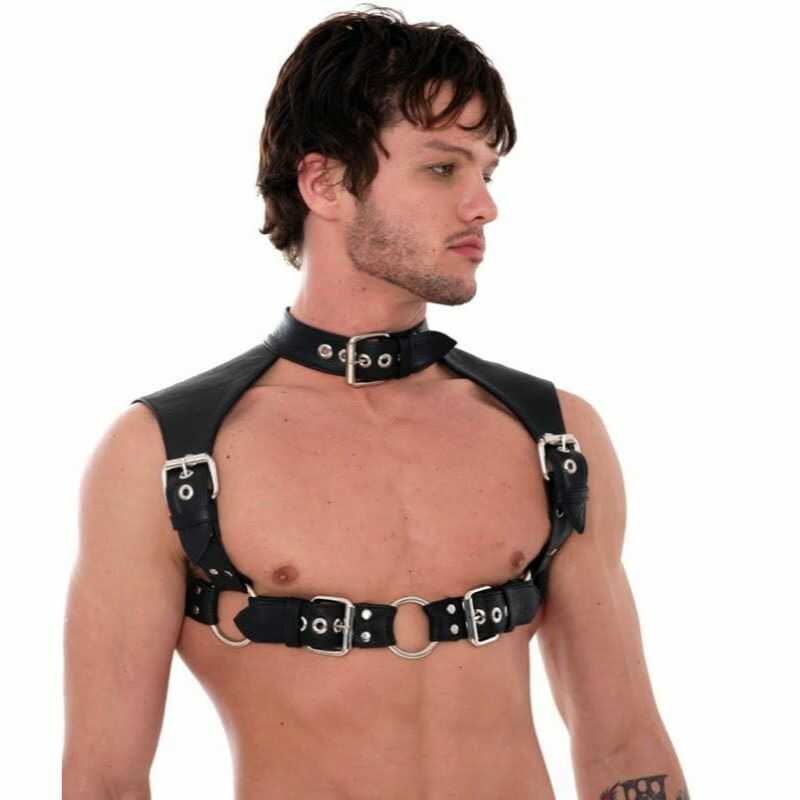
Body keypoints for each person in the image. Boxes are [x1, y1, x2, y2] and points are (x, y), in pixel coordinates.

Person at [62, 6, 689, 799]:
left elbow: (625, 744)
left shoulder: (555, 434)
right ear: (325, 183)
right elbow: (105, 782)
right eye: (443, 169)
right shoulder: (168, 456)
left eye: (486, 173)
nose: (483, 206)